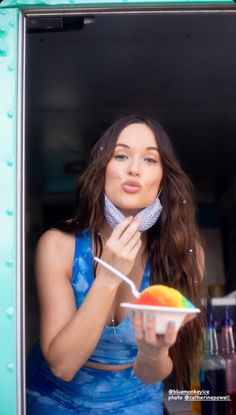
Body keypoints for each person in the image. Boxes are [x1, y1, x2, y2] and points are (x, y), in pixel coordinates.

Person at [26, 115, 205, 415]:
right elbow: (63, 366)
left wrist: (153, 351)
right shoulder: (57, 246)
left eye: (150, 159)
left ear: (163, 179)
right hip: (53, 399)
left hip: (136, 400)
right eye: (121, 155)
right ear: (102, 169)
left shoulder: (184, 255)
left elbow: (153, 373)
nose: (134, 168)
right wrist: (109, 276)